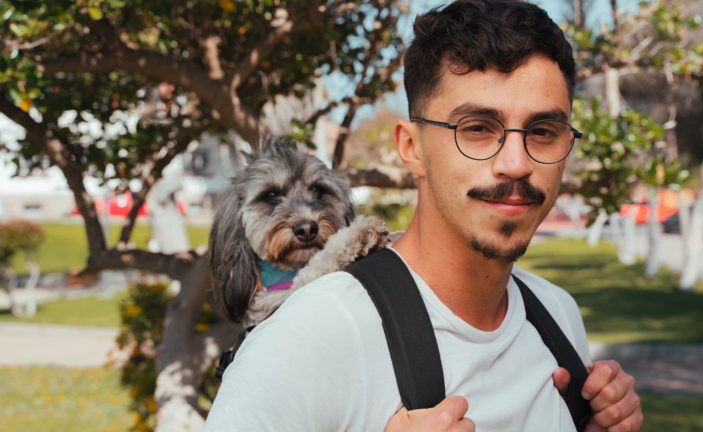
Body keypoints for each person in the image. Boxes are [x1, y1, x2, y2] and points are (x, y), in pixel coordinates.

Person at [205, 1, 643, 431]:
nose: (516, 163)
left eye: (543, 132)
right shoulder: (309, 338)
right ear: (411, 148)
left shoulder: (558, 314)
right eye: (477, 128)